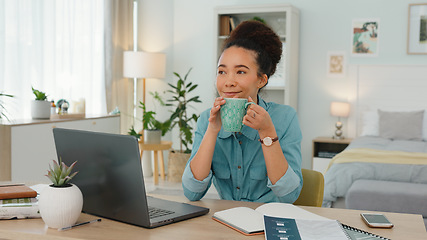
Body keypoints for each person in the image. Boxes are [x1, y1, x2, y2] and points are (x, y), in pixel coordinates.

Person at [181, 20, 302, 203]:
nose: (229, 81)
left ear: (261, 80)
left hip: (268, 221)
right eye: (222, 72)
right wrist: (212, 130)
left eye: (241, 72)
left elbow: (289, 196)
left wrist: (267, 132)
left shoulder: (285, 118)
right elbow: (192, 192)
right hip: (227, 221)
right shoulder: (208, 119)